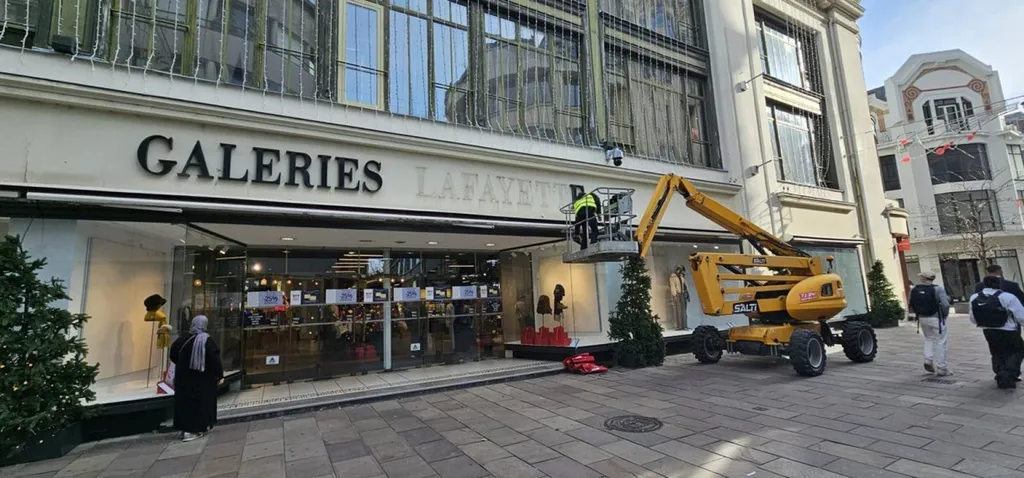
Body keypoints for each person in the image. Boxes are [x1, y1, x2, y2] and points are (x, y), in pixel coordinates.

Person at [169, 315, 224, 442]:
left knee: (184, 403)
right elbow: (214, 359)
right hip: (202, 379)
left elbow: (173, 355)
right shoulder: (207, 340)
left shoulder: (182, 339)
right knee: (200, 402)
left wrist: (183, 365)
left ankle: (184, 429)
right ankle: (196, 429)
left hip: (183, 379)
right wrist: (219, 375)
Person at [970, 275, 1024, 389]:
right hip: (1008, 329)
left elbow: (972, 317)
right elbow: (1021, 316)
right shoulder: (1008, 297)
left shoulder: (974, 297)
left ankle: (999, 372)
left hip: (988, 330)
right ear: (999, 284)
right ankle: (1008, 373)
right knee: (1017, 350)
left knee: (996, 352)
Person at [908, 271, 951, 376]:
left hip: (922, 318)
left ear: (924, 278)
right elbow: (945, 304)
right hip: (936, 318)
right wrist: (944, 316)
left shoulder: (914, 289)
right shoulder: (938, 289)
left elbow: (910, 303)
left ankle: (928, 359)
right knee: (941, 342)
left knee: (928, 338)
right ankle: (941, 368)